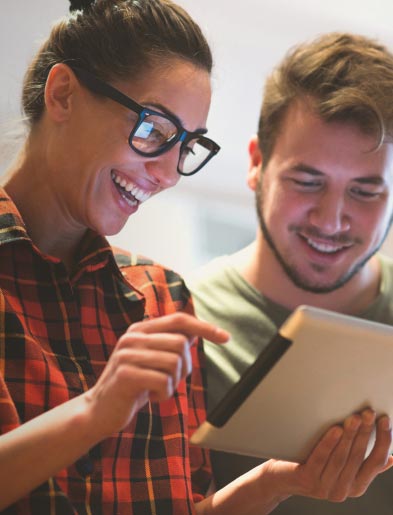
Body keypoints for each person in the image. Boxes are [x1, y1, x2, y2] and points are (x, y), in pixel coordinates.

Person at [0, 4, 391, 512]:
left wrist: (274, 480)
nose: (166, 174)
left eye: (184, 145)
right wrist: (94, 411)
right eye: (154, 130)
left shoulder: (159, 295)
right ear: (63, 94)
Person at [188, 32, 393, 514]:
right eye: (307, 182)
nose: (330, 219)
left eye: (365, 192)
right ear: (257, 164)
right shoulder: (182, 319)